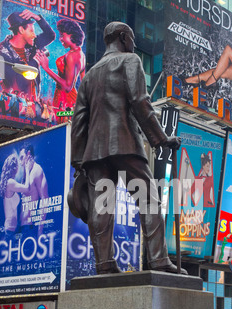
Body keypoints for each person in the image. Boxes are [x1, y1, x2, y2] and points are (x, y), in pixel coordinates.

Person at [71, 22, 187, 275]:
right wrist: (162, 139)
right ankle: (158, 260)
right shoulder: (130, 60)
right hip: (124, 143)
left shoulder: (89, 76)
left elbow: (78, 119)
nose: (133, 44)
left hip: (95, 153)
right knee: (149, 200)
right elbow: (140, 102)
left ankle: (103, 264)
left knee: (101, 207)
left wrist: (78, 160)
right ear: (123, 37)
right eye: (132, 39)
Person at [0, 9, 55, 97]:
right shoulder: (2, 52)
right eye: (31, 31)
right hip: (16, 103)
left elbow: (50, 36)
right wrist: (35, 61)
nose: (34, 35)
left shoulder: (33, 43)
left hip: (34, 98)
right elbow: (18, 80)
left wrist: (37, 18)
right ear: (21, 30)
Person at [35, 19, 85, 109]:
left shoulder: (71, 55)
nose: (60, 38)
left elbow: (67, 87)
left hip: (65, 99)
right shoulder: (81, 54)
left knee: (62, 122)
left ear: (72, 34)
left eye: (62, 35)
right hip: (71, 100)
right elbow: (84, 84)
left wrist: (46, 68)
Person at [18, 144, 48, 236]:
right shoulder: (25, 173)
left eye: (22, 157)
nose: (20, 162)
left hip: (30, 227)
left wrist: (40, 230)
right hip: (21, 227)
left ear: (28, 154)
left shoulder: (37, 170)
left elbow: (44, 199)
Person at [0, 153, 31, 236]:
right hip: (10, 230)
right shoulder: (10, 182)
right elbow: (26, 188)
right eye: (17, 164)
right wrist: (27, 169)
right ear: (14, 167)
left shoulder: (9, 183)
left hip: (11, 229)